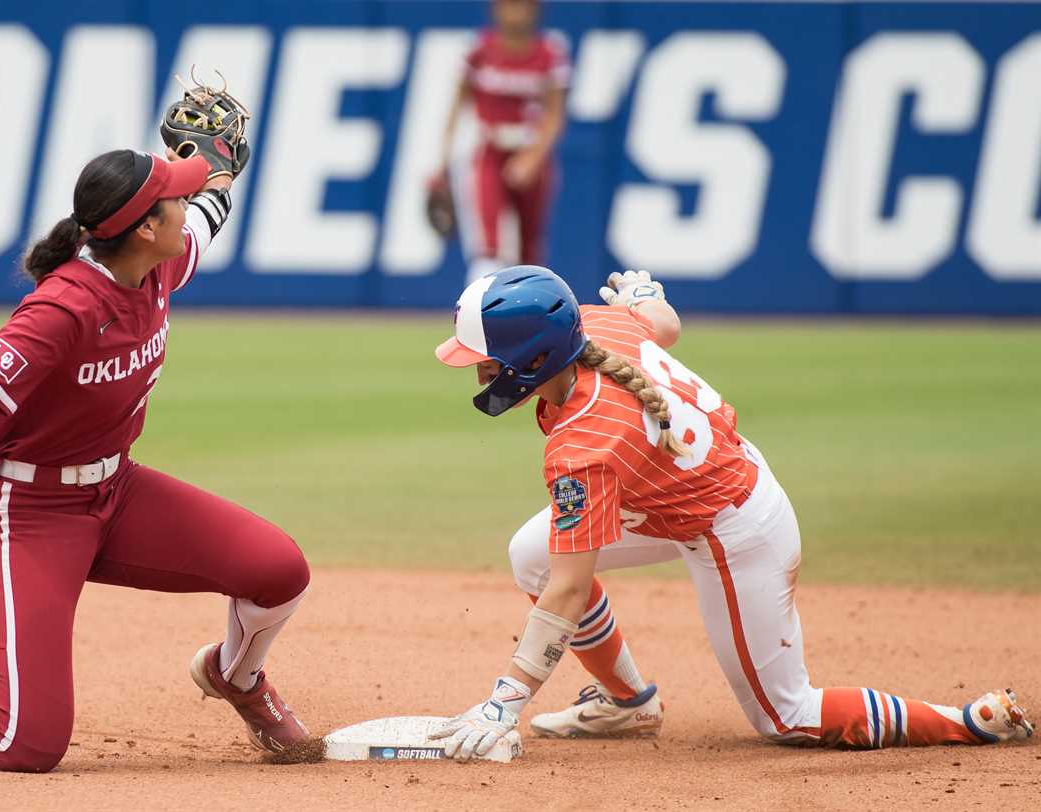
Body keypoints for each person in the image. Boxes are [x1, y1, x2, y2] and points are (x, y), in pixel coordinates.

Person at [429, 266, 1034, 761]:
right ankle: (628, 704)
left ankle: (969, 721)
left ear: (534, 360)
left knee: (786, 716)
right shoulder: (591, 326)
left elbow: (568, 591)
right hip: (682, 489)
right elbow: (662, 321)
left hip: (734, 527)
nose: (478, 370)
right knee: (531, 555)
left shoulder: (584, 443)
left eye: (484, 358)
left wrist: (504, 702)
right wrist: (645, 294)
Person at [0, 146, 312, 772]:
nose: (187, 206)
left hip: (116, 493)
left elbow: (209, 211)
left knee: (278, 570)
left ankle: (236, 677)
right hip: (30, 512)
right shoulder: (64, 307)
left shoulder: (159, 261)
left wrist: (218, 172)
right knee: (25, 747)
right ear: (145, 229)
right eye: (174, 198)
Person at [433, 0, 569, 284]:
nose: (515, 12)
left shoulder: (550, 52)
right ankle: (478, 316)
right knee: (488, 245)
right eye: (508, 5)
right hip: (490, 151)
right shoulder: (479, 50)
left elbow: (555, 115)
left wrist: (533, 157)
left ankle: (532, 317)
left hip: (531, 153)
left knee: (530, 247)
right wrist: (442, 161)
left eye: (522, 6)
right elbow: (456, 106)